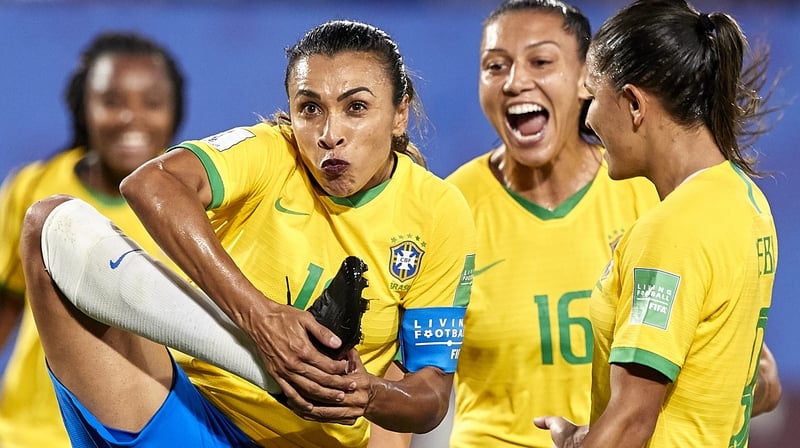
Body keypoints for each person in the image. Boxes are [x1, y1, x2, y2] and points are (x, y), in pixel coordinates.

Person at [20, 19, 476, 448]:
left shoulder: (438, 211)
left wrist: (366, 395)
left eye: (356, 107)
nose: (329, 133)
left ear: (400, 114)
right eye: (310, 108)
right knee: (49, 225)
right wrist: (260, 319)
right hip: (190, 416)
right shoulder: (270, 151)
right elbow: (149, 183)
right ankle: (257, 367)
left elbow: (430, 396)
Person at [534, 0, 780, 446]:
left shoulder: (672, 232)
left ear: (632, 103)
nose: (585, 120)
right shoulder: (748, 202)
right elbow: (742, 385)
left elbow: (631, 424)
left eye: (592, 97)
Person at [0, 31, 185, 447]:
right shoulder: (33, 186)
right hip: (28, 434)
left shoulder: (197, 206)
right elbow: (6, 306)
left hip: (143, 430)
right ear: (84, 108)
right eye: (112, 101)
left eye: (152, 103)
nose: (131, 118)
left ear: (175, 113)